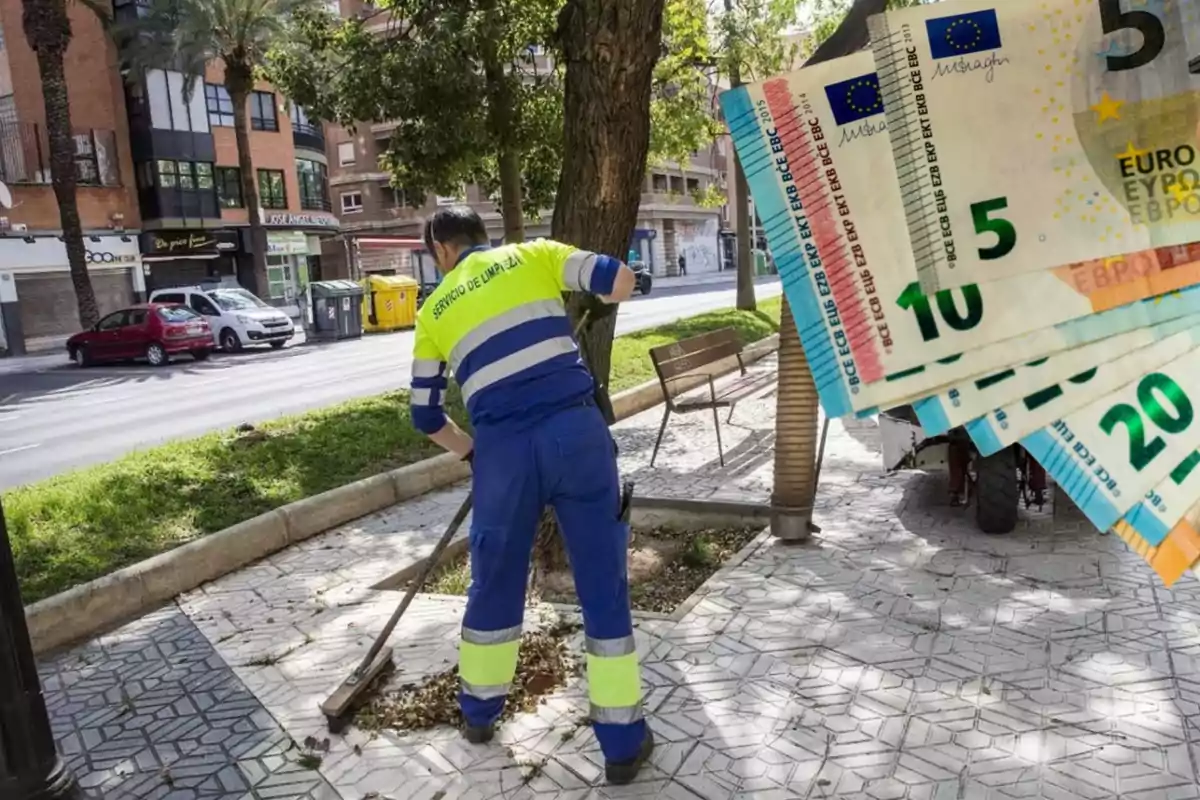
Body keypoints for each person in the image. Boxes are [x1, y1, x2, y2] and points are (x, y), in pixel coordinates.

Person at [409, 206, 654, 785]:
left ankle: (479, 714)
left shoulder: (432, 311)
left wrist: (473, 453)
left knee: (493, 581)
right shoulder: (533, 254)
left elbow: (424, 415)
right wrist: (625, 286)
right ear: (481, 237)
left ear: (441, 250)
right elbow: (616, 279)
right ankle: (622, 744)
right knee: (601, 582)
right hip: (576, 435)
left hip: (501, 454)